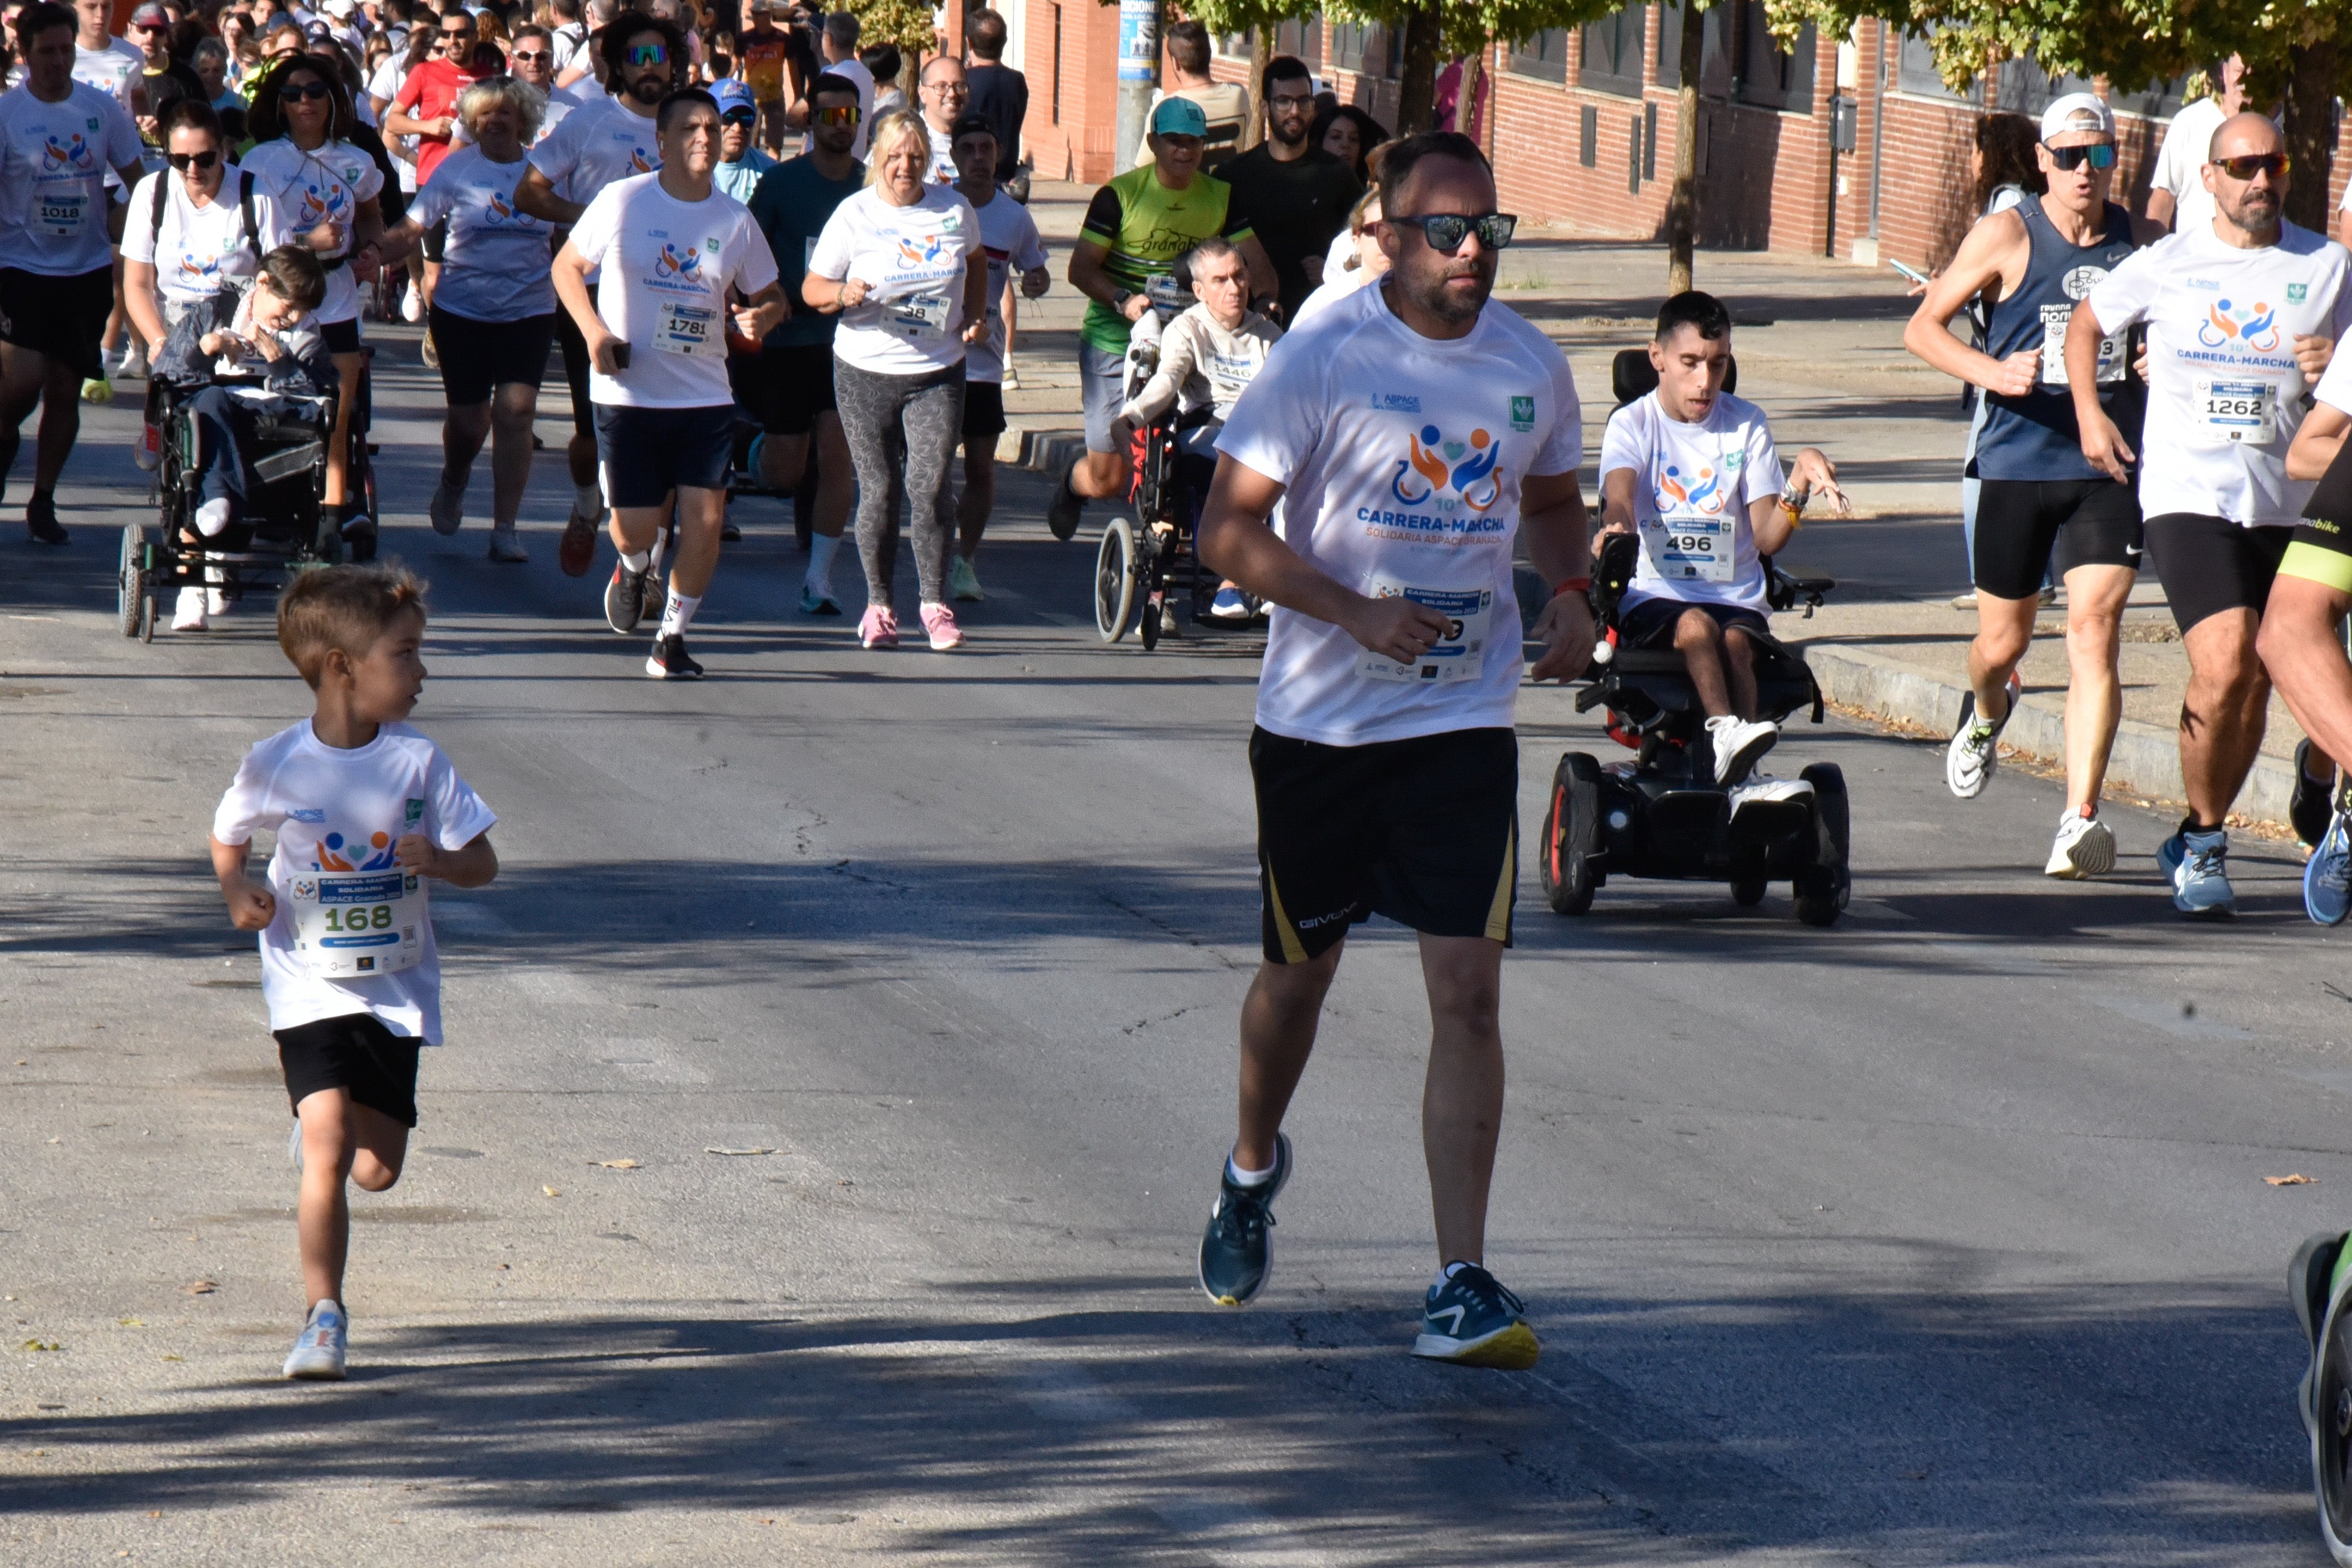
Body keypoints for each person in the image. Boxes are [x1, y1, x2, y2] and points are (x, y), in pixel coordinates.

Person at [1189, 130, 1594, 1368]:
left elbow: (1550, 499)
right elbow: (1224, 530)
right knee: (1296, 985)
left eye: (1492, 231)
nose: (1475, 253)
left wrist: (1572, 596)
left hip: (1460, 724)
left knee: (1468, 994)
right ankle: (1251, 1166)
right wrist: (1353, 609)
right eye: (1449, 230)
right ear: (1391, 231)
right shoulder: (1326, 354)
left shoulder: (1531, 364)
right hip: (1320, 722)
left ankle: (1459, 1277)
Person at [209, 563, 501, 1382]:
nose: (420, 671)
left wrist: (440, 862)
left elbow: (485, 862)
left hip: (394, 989)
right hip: (308, 981)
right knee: (332, 1145)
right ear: (343, 666)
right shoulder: (277, 762)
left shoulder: (418, 762)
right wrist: (238, 890)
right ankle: (323, 1318)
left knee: (374, 1170)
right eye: (403, 654)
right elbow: (228, 835)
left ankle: (323, 1137)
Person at [2069, 111, 2352, 915]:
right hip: (2189, 495)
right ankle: (2201, 838)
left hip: (2292, 499)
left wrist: (2331, 365)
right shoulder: (2170, 262)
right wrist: (2093, 415)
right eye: (2241, 167)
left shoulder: (2328, 266)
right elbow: (2088, 324)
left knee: (2265, 677)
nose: (2259, 180)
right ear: (2210, 178)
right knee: (2226, 659)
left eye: (2272, 165)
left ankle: (2318, 766)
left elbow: (2349, 387)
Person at [1907, 93, 2153, 878]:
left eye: (2101, 156)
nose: (2087, 170)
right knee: (2002, 644)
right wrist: (1993, 372)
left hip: (2103, 467)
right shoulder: (2007, 233)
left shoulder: (2139, 244)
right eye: (2071, 156)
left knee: (2094, 629)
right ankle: (1986, 708)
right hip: (2015, 463)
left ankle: (2078, 818)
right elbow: (1922, 328)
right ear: (2043, 160)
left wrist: (2158, 360)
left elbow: (2172, 333)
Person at [553, 85, 785, 678]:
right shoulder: (624, 200)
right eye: (690, 128)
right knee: (634, 527)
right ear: (662, 140)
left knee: (706, 518)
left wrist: (767, 314)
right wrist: (593, 333)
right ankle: (634, 568)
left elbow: (771, 293)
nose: (704, 138)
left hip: (704, 394)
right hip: (628, 393)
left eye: (712, 127)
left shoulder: (734, 220)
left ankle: (672, 638)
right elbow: (567, 268)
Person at [1600, 290, 1849, 789]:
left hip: (1735, 600)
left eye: (1717, 365)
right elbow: (1620, 494)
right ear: (1658, 359)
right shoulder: (1634, 424)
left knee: (1738, 641)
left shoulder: (1746, 424)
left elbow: (1767, 537)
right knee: (1694, 622)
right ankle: (1726, 732)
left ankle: (1744, 778)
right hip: (1656, 599)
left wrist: (1797, 481)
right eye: (1690, 363)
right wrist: (1616, 526)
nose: (1704, 381)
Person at [1047, 94, 1273, 541]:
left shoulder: (1221, 198)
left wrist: (1261, 308)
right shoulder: (1121, 195)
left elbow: (1261, 273)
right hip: (1116, 337)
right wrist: (1122, 300)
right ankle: (1075, 486)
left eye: (1195, 141)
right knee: (1111, 477)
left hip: (1193, 341)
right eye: (1174, 141)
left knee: (1176, 459)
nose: (1185, 151)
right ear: (1153, 141)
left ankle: (1169, 546)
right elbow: (1080, 269)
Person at [801, 108, 985, 650]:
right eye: (895, 157)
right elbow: (812, 288)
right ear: (877, 159)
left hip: (937, 369)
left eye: (916, 157)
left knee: (929, 488)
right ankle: (879, 607)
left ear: (929, 159)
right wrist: (841, 295)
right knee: (879, 490)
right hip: (864, 369)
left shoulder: (954, 209)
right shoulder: (854, 215)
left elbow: (976, 262)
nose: (906, 167)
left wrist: (976, 316)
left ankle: (934, 605)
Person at [518, 8, 679, 575]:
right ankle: (589, 502)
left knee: (663, 424)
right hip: (592, 292)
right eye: (637, 56)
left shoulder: (689, 122)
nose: (650, 66)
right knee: (594, 430)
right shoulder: (588, 122)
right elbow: (529, 192)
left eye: (659, 55)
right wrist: (587, 217)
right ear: (615, 66)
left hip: (671, 290)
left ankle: (640, 559)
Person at [376, 74, 554, 562]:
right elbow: (413, 228)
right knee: (469, 419)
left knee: (516, 412)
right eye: (485, 115)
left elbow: (569, 239)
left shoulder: (545, 173)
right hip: (463, 310)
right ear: (473, 122)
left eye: (505, 114)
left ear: (523, 120)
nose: (495, 122)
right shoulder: (457, 171)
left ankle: (505, 528)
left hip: (530, 310)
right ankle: (454, 480)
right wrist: (372, 253)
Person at [0, 1, 145, 544]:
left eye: (66, 50)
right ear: (26, 54)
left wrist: (124, 223)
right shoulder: (8, 115)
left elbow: (140, 182)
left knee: (64, 390)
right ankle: (5, 436)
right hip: (20, 266)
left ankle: (42, 500)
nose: (60, 61)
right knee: (21, 381)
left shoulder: (101, 110)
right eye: (48, 52)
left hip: (83, 270)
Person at [241, 51, 387, 554]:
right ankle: (272, 499)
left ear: (333, 100)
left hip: (338, 297)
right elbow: (255, 240)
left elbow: (371, 218)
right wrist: (306, 241)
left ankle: (337, 508)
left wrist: (371, 251)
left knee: (337, 412)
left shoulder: (357, 160)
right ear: (278, 105)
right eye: (292, 94)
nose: (305, 101)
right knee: (278, 401)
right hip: (283, 297)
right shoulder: (260, 162)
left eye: (315, 92)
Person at [1108, 235, 1273, 620]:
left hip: (1261, 433)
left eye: (1238, 276)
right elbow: (1167, 381)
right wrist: (1132, 416)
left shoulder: (1267, 335)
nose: (1234, 288)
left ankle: (1270, 581)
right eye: (1220, 280)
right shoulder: (1186, 329)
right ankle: (1232, 582)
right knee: (1230, 470)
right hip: (1208, 430)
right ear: (1199, 290)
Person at [743, 66, 858, 614]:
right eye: (830, 115)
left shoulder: (871, 186)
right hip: (791, 343)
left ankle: (820, 578)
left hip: (852, 345)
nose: (841, 125)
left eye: (850, 116)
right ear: (811, 121)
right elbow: (743, 251)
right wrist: (766, 301)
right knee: (786, 470)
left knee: (838, 458)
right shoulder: (783, 184)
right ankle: (752, 446)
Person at [121, 97, 270, 483]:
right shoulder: (151, 194)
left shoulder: (254, 194)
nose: (193, 170)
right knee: (178, 381)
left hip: (237, 315)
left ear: (223, 150)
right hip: (175, 318)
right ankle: (166, 441)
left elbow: (276, 277)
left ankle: (227, 487)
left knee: (227, 407)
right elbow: (137, 284)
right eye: (180, 160)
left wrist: (252, 330)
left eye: (205, 159)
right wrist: (157, 340)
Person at [941, 109, 1043, 601]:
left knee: (981, 468)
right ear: (955, 155)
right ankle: (931, 547)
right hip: (933, 358)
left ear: (998, 155)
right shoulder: (935, 206)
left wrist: (1038, 279)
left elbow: (1034, 269)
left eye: (987, 149)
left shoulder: (1014, 217)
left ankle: (964, 561)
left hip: (982, 363)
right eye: (969, 149)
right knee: (932, 468)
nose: (978, 159)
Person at [1215, 55, 1361, 326]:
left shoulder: (1337, 175)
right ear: (1264, 107)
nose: (1295, 111)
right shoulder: (1232, 175)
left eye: (1304, 101)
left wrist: (1336, 269)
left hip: (1317, 324)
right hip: (1244, 325)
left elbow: (1368, 241)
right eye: (1284, 101)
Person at [2146, 56, 2247, 237]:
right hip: (2192, 259)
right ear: (2224, 73)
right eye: (2239, 72)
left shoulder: (2281, 130)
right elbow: (2163, 200)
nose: (2245, 81)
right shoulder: (2190, 121)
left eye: (2253, 74)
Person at [1126, 17, 1242, 170]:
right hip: (1231, 193)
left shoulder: (1164, 110)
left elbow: (1143, 170)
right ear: (1209, 53)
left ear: (1176, 63)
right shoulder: (1238, 96)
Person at [1294, 185, 1383, 326]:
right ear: (1357, 240)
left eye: (1395, 230)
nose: (1385, 239)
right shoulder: (1326, 303)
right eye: (1375, 230)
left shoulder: (1421, 299)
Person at [782, 7, 865, 157]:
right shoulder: (864, 73)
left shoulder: (835, 75)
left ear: (829, 39)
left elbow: (793, 118)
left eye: (818, 35)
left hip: (826, 163)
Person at [961, 6, 1022, 183]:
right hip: (1007, 174)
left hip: (973, 173)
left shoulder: (965, 83)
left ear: (969, 43)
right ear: (1004, 42)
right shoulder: (1017, 81)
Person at [708, 73, 768, 198]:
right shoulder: (687, 172)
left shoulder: (769, 173)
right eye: (728, 118)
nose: (737, 128)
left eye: (746, 118)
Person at [734, 0, 785, 146]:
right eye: (754, 13)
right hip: (751, 98)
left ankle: (774, 168)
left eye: (760, 14)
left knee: (774, 144)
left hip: (775, 97)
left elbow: (793, 68)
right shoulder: (744, 39)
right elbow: (735, 63)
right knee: (750, 143)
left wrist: (798, 95)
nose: (756, 17)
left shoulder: (782, 38)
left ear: (769, 14)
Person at [1311, 102, 1383, 185]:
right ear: (1318, 143)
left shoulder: (1369, 194)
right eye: (1336, 137)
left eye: (1354, 139)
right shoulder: (1303, 187)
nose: (1345, 145)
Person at [913, 52, 960, 182]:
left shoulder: (978, 141)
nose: (952, 94)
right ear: (923, 94)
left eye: (959, 86)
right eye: (941, 87)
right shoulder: (905, 137)